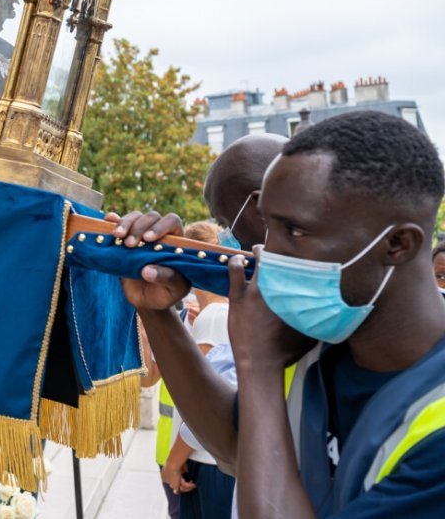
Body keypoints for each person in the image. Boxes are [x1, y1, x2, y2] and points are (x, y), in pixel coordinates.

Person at [114, 112, 445, 518]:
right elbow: (236, 447)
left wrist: (259, 364)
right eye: (268, 228)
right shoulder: (325, 343)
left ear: (397, 244)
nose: (267, 254)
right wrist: (158, 312)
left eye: (297, 232)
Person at [160, 221, 234, 519]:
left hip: (206, 461)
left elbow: (204, 404)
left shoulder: (213, 317)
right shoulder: (220, 314)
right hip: (209, 458)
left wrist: (174, 461)